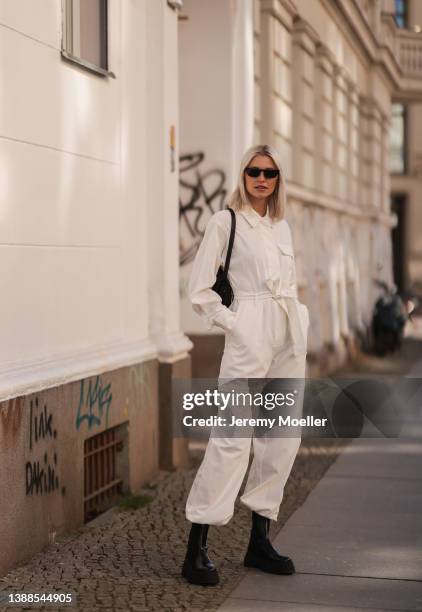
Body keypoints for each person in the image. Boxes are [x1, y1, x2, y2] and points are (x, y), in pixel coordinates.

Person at [181, 144, 309, 586]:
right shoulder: (225, 221)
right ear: (243, 176)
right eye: (254, 171)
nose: (261, 179)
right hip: (249, 332)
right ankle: (196, 547)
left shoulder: (283, 228)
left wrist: (296, 326)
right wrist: (236, 325)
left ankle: (259, 540)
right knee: (231, 439)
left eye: (269, 173)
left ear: (277, 181)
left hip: (289, 334)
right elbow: (200, 290)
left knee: (280, 439)